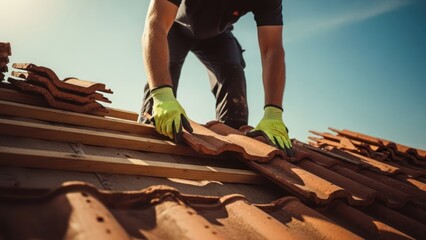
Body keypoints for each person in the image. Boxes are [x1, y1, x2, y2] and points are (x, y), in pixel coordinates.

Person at [140, 0, 293, 156]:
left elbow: (271, 49)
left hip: (216, 36)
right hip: (175, 27)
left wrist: (273, 112)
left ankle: (233, 147)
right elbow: (156, 23)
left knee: (232, 72)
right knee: (166, 72)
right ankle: (149, 138)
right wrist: (161, 94)